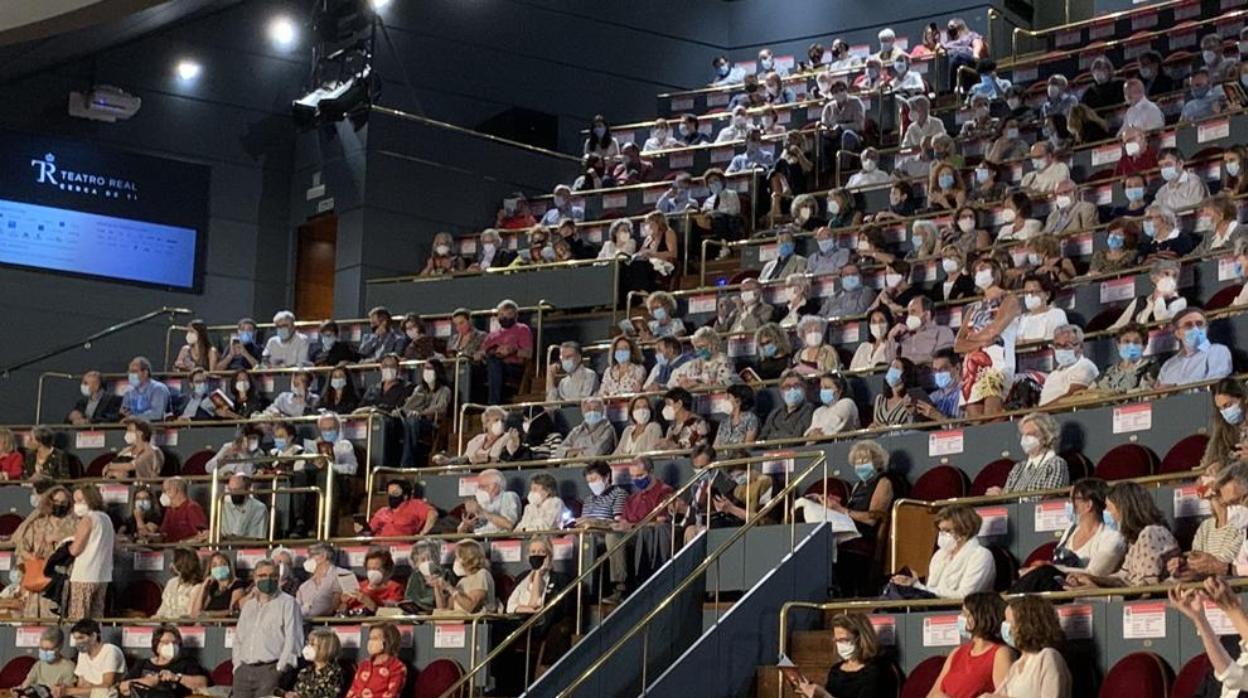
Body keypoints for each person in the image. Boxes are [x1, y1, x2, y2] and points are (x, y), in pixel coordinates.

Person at [1065, 481, 1178, 589]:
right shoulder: (1135, 540)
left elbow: (1146, 588)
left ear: (1124, 508)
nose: (1107, 512)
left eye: (1109, 508)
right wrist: (1090, 579)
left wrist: (1096, 591)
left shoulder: (1151, 533)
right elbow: (1122, 577)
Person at [956, 258, 1020, 418]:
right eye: (975, 271)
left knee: (993, 413)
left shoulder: (1009, 299)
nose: (979, 272)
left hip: (998, 361)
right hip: (972, 365)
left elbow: (995, 330)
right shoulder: (972, 308)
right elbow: (957, 344)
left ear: (996, 272)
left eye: (983, 268)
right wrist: (982, 342)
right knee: (975, 418)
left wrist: (972, 340)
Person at [232, 559, 304, 698]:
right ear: (254, 578)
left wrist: (280, 668)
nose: (268, 579)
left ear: (278, 578)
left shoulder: (288, 603)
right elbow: (239, 639)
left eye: (273, 575)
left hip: (271, 669)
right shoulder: (248, 606)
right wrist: (237, 666)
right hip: (244, 671)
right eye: (262, 575)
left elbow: (293, 639)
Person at [889, 505, 994, 599]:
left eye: (947, 531)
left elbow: (965, 596)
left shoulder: (981, 556)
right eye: (940, 530)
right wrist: (912, 584)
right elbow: (930, 590)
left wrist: (919, 587)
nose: (942, 535)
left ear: (964, 531)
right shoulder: (939, 555)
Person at [927, 593, 1013, 698]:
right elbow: (932, 693)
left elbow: (1004, 695)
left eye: (964, 613)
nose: (960, 617)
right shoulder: (957, 653)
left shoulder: (1000, 653)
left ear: (979, 616)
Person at [983, 597, 1071, 698]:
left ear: (1027, 625)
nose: (1005, 627)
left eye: (1008, 622)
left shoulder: (1048, 657)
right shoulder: (1016, 665)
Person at [794, 612, 897, 698]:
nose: (840, 645)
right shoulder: (836, 671)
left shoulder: (878, 671)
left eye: (844, 640)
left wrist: (824, 696)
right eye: (837, 640)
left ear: (861, 639)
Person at [13, 484, 76, 617]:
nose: (60, 505)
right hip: (39, 576)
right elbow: (21, 548)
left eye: (64, 502)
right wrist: (31, 557)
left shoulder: (74, 525)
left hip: (62, 579)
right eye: (57, 501)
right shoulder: (37, 525)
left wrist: (59, 537)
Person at [991, 413, 1068, 496]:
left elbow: (1048, 498)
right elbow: (1006, 499)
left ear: (1046, 436)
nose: (1025, 439)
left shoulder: (1056, 464)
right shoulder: (1018, 468)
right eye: (1023, 435)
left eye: (1030, 434)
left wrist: (1005, 495)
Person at [67, 485, 114, 620]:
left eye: (81, 500)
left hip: (84, 575)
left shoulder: (87, 519)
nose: (77, 504)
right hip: (102, 576)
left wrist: (65, 547)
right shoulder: (106, 519)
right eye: (75, 501)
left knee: (79, 619)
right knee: (95, 619)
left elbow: (75, 549)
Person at [1157, 307, 1233, 387]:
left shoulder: (1218, 351)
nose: (1195, 329)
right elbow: (1158, 391)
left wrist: (1175, 388)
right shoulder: (1168, 365)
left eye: (1199, 324)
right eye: (1188, 325)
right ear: (1177, 333)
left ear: (1206, 329)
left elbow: (1215, 382)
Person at [398, 358, 451, 467]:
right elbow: (407, 406)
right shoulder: (419, 389)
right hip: (411, 420)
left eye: (429, 368)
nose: (426, 371)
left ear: (437, 371)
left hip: (430, 423)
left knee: (412, 422)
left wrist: (421, 413)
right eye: (425, 368)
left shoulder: (444, 390)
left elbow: (441, 407)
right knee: (405, 422)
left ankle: (407, 463)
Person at [478, 299, 533, 405]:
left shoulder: (522, 329)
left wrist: (513, 350)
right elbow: (482, 352)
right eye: (501, 314)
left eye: (508, 314)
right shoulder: (491, 335)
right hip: (490, 365)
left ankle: (494, 404)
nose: (504, 317)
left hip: (513, 367)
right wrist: (480, 354)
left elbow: (528, 354)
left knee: (494, 362)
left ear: (515, 316)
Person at [1111, 259, 1186, 330]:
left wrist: (1159, 298)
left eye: (1174, 276)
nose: (1170, 278)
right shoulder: (1139, 301)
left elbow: (1162, 324)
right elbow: (1118, 326)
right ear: (1154, 277)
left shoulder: (1179, 302)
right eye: (1166, 274)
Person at [1038, 324, 1098, 407]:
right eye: (1058, 346)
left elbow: (1071, 398)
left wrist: (1040, 411)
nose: (1062, 349)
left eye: (1066, 345)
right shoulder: (1053, 374)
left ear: (1080, 347)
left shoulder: (1085, 366)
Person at [65, 619, 126, 698]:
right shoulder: (82, 654)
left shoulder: (110, 651)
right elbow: (81, 685)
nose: (78, 642)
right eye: (76, 639)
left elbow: (106, 686)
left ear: (94, 636)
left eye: (81, 638)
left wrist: (70, 690)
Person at [344, 624, 407, 698]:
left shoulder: (397, 667)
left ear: (388, 641)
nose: (371, 642)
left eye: (375, 638)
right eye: (370, 638)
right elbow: (352, 690)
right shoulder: (364, 665)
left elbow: (392, 694)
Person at [434, 539, 496, 612]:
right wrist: (437, 588)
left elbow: (470, 607)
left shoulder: (482, 574)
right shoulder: (462, 581)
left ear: (468, 558)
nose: (455, 562)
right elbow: (445, 609)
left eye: (457, 558)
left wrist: (449, 588)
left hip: (477, 622)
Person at [1094, 323, 1159, 393]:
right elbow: (1090, 390)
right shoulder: (1107, 370)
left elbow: (1144, 390)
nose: (1131, 346)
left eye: (1136, 342)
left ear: (1144, 346)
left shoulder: (1150, 366)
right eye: (1126, 342)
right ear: (1118, 345)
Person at [893, 296, 954, 365]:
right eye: (908, 313)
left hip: (927, 373)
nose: (909, 317)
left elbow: (942, 359)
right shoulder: (904, 337)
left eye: (913, 312)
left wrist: (909, 362)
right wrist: (891, 337)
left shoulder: (943, 331)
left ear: (927, 315)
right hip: (905, 374)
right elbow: (891, 364)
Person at [341, 548, 403, 615]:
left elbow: (393, 613)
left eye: (376, 569)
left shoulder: (395, 588)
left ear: (387, 570)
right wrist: (344, 603)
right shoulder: (359, 586)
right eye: (369, 569)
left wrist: (369, 603)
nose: (372, 572)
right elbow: (341, 612)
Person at [458, 468, 521, 533]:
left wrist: (482, 511)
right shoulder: (480, 502)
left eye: (484, 486)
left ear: (496, 486)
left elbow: (509, 525)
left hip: (497, 539)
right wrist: (466, 524)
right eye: (479, 487)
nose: (480, 490)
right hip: (479, 538)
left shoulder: (507, 496)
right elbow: (460, 533)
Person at [670, 327, 736, 389]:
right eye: (696, 347)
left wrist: (697, 385)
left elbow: (724, 386)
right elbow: (687, 381)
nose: (698, 350)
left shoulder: (724, 361)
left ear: (713, 344)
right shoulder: (696, 363)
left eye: (701, 347)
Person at [874, 358, 931, 427]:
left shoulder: (912, 399)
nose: (892, 371)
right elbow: (875, 423)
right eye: (891, 368)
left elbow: (915, 423)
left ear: (906, 374)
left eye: (896, 368)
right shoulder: (880, 399)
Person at [367, 479, 436, 537]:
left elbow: (433, 514)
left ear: (405, 496)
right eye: (389, 494)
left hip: (402, 547)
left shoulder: (414, 505)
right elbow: (369, 531)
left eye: (395, 493)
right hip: (379, 546)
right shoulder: (382, 511)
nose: (391, 497)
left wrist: (423, 533)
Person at [288, 629, 344, 698]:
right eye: (307, 643)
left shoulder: (335, 673)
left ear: (325, 649)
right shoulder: (305, 672)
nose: (308, 647)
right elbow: (297, 691)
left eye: (312, 644)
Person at [819, 79, 865, 157]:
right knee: (820, 139)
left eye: (841, 90)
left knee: (847, 135)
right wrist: (829, 132)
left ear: (846, 90)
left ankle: (844, 167)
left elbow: (859, 125)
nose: (839, 93)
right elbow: (824, 125)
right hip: (833, 137)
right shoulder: (828, 107)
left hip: (854, 135)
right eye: (835, 92)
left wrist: (841, 127)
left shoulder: (855, 102)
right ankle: (825, 168)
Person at [805, 373, 859, 437]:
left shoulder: (847, 403)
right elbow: (810, 431)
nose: (823, 391)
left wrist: (821, 434)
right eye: (821, 388)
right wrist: (811, 434)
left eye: (827, 388)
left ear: (840, 390)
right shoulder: (819, 411)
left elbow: (838, 427)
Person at [156, 547, 204, 618]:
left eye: (173, 561)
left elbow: (190, 615)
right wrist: (156, 618)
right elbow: (162, 609)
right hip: (163, 624)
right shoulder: (171, 582)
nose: (171, 564)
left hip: (181, 625)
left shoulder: (197, 587)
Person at [157, 477, 208, 543]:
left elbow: (203, 534)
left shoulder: (192, 508)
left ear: (177, 490)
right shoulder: (170, 509)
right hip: (168, 548)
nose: (164, 494)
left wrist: (184, 542)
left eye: (166, 490)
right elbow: (164, 533)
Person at [120, 356, 170, 421]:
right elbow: (124, 411)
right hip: (132, 427)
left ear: (145, 373)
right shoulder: (129, 391)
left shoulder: (158, 389)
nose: (131, 375)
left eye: (134, 371)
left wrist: (134, 418)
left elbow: (156, 414)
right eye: (130, 372)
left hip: (153, 427)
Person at [920, 349, 963, 421]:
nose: (938, 374)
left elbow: (965, 427)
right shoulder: (934, 396)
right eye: (935, 370)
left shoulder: (965, 394)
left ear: (957, 368)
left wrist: (938, 417)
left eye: (943, 369)